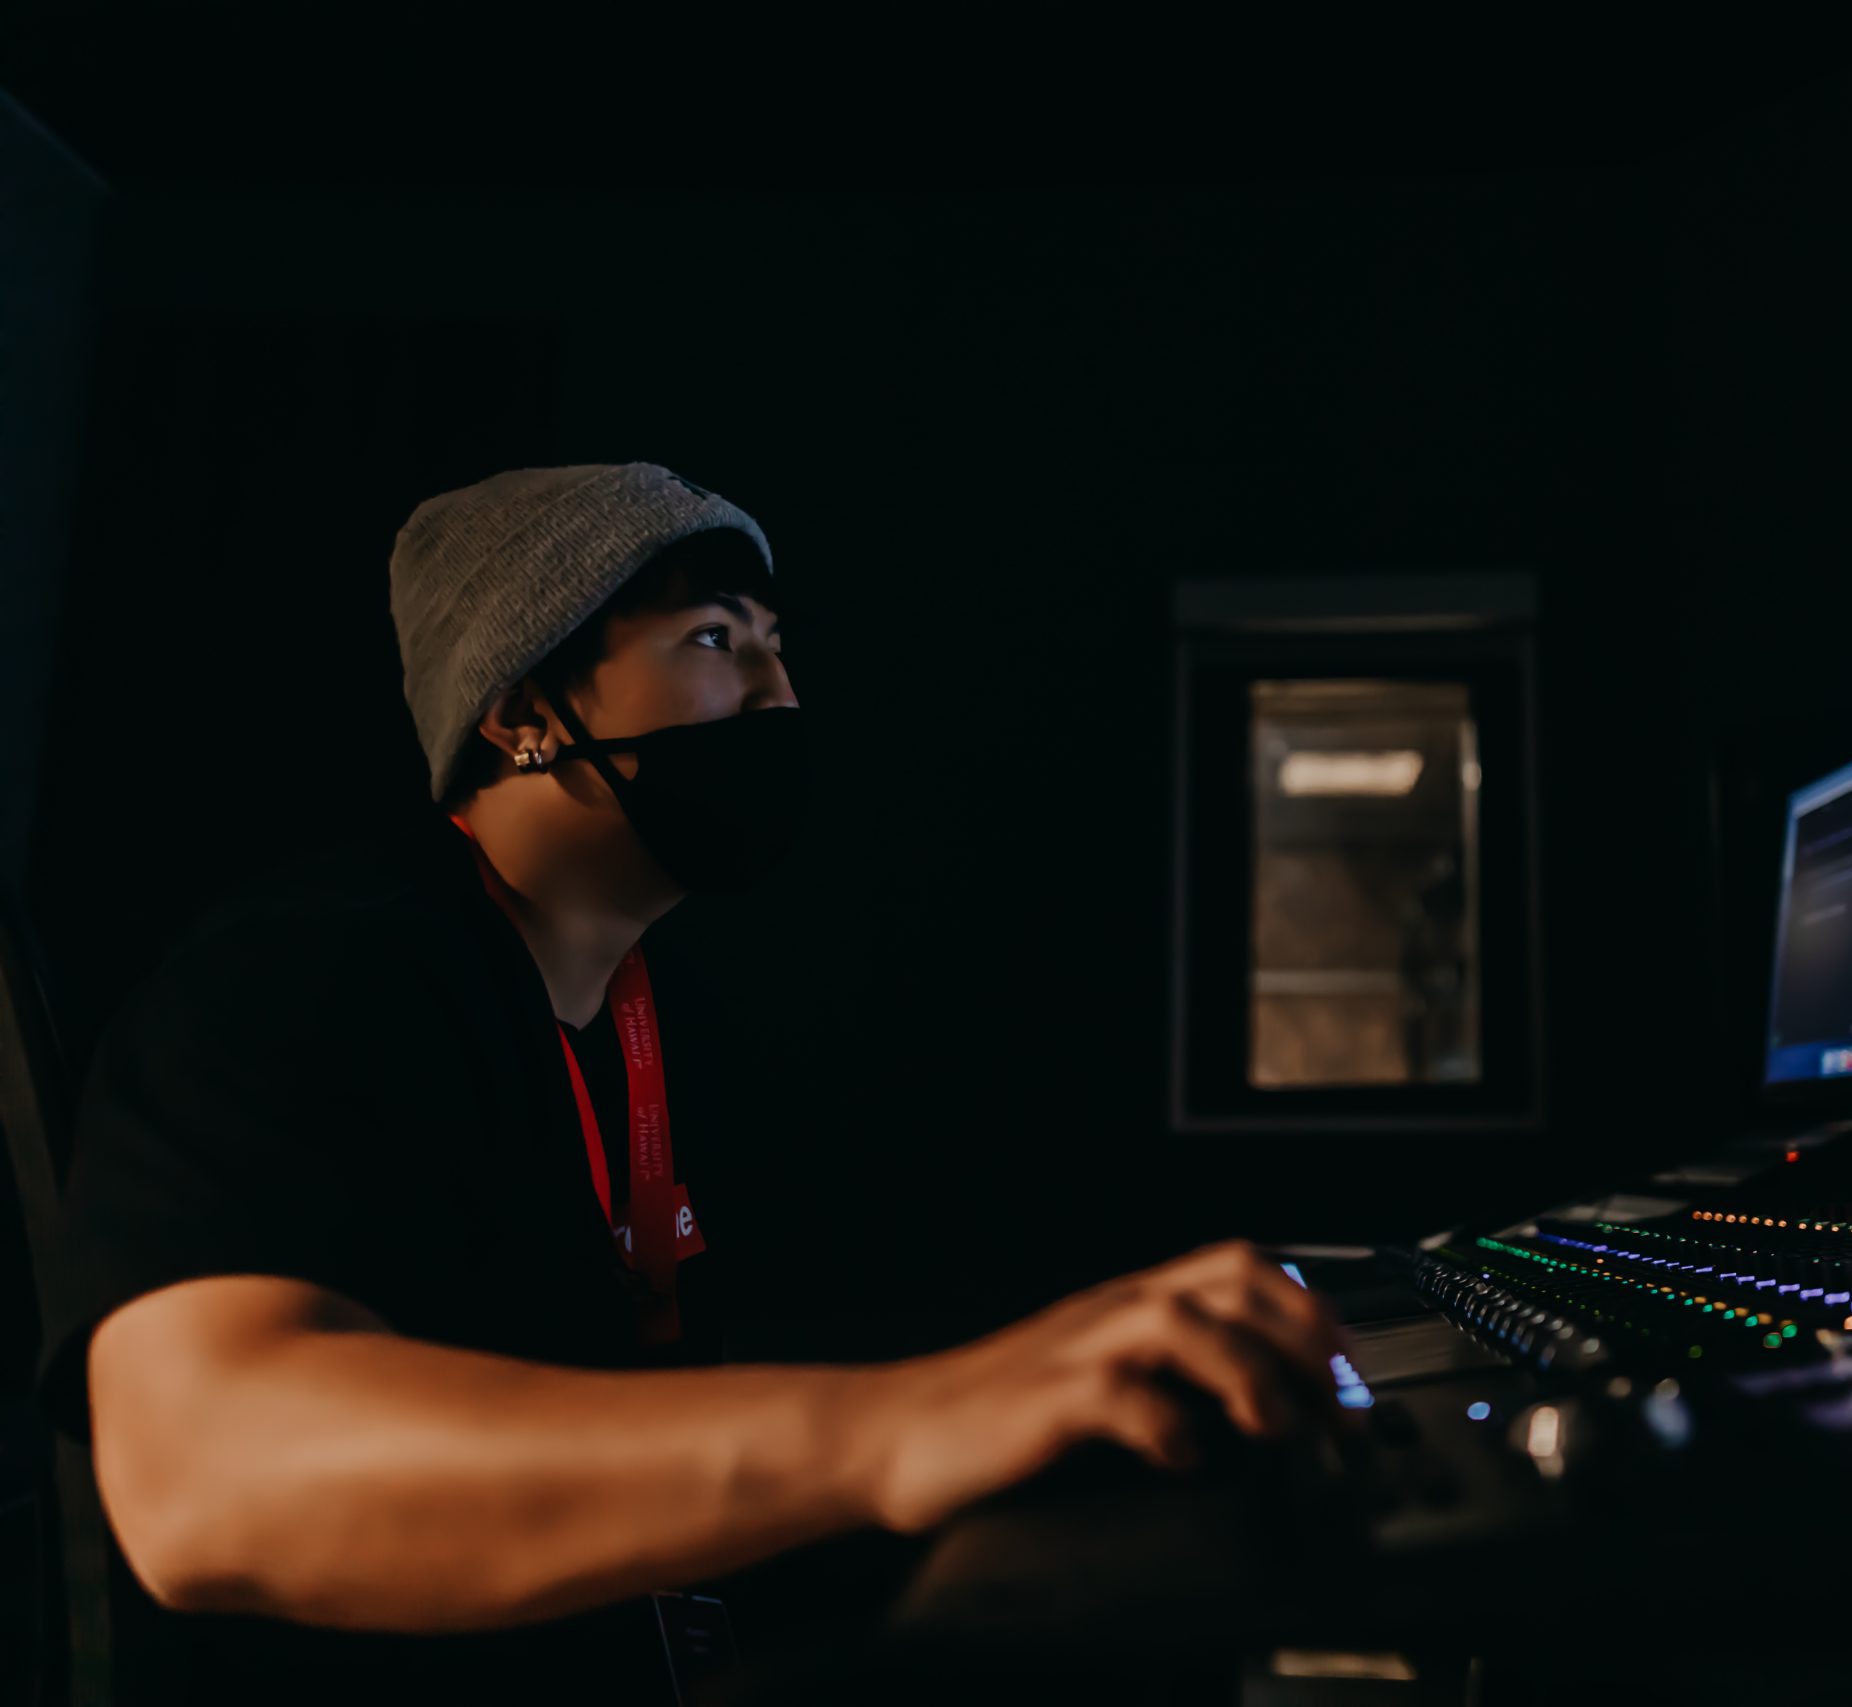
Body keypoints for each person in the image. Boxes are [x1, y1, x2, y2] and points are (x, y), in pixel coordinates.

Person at [37, 463, 1348, 1700]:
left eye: (780, 646)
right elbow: (205, 1479)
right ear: (522, 712)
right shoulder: (303, 976)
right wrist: (894, 1434)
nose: (778, 697)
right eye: (717, 643)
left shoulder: (678, 1020)